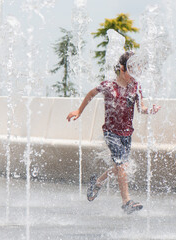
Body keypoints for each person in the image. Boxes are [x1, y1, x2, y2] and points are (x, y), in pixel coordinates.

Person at [66, 51, 161, 214]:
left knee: (119, 168)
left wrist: (149, 110)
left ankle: (97, 182)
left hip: (127, 134)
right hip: (111, 133)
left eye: (137, 71)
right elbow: (91, 94)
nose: (134, 75)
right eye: (131, 71)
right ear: (122, 69)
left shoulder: (136, 86)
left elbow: (141, 108)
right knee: (122, 165)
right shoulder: (109, 86)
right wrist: (79, 110)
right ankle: (127, 202)